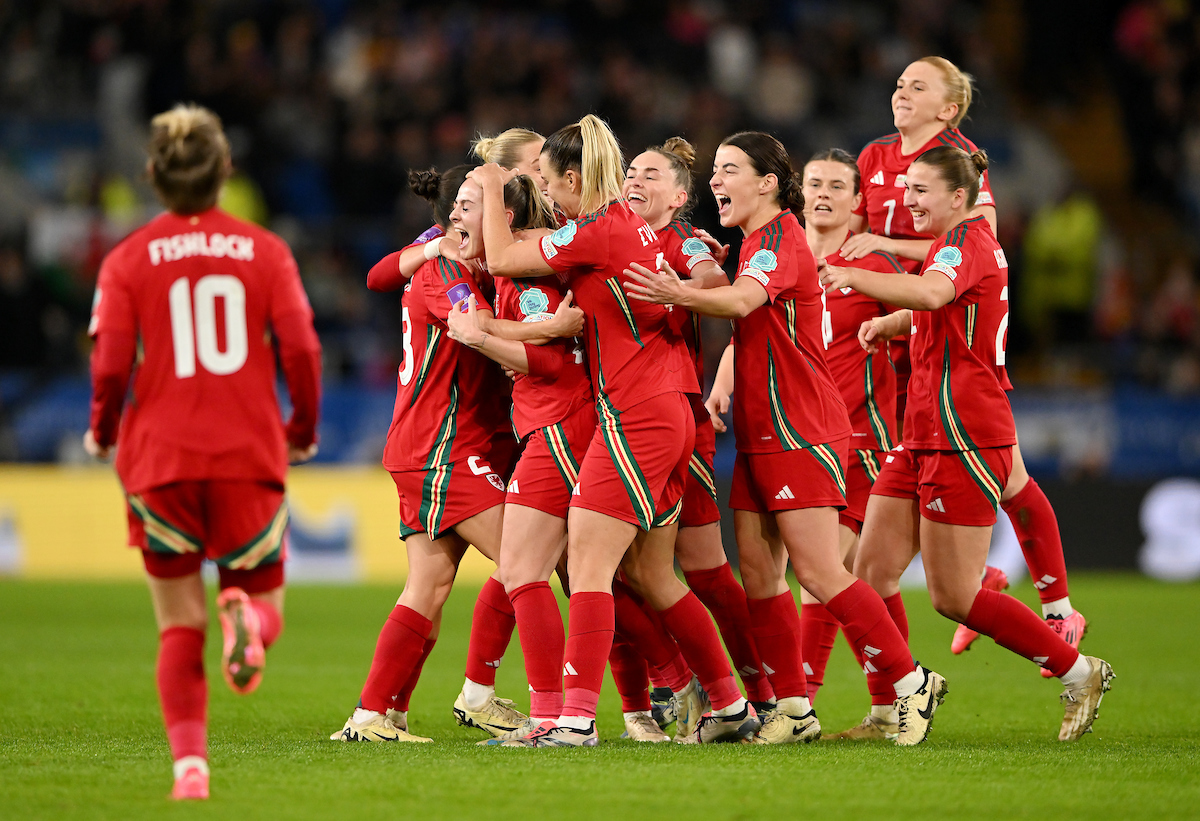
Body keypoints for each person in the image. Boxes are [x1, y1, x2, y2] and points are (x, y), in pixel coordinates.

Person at [625, 131, 945, 746]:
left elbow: (743, 301)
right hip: (760, 431)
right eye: (714, 171)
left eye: (728, 170)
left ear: (767, 183)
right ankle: (792, 709)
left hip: (801, 428)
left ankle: (910, 684)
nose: (715, 181)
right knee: (761, 575)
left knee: (822, 573)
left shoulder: (778, 239)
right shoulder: (755, 242)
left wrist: (678, 291)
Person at [470, 114, 751, 746]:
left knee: (592, 568)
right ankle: (730, 705)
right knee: (653, 575)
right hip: (669, 408)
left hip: (639, 414)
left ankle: (572, 721)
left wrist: (492, 188)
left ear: (571, 179)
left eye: (546, 181)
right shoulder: (622, 227)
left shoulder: (597, 229)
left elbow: (504, 256)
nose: (542, 193)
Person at [819, 146, 1114, 742]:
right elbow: (941, 306)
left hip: (964, 434)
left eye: (922, 190)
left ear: (959, 197)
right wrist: (887, 321)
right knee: (867, 572)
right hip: (922, 430)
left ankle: (1078, 670)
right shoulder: (957, 247)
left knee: (952, 597)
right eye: (908, 188)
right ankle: (890, 706)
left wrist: (855, 275)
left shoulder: (963, 243)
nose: (909, 200)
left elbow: (932, 295)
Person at [84, 104, 322, 799]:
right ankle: (248, 618)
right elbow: (303, 348)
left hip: (158, 459)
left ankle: (190, 769)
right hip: (247, 450)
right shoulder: (266, 250)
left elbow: (107, 367)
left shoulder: (126, 259)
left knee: (178, 624)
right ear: (225, 169)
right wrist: (301, 426)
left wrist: (102, 428)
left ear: (151, 173)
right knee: (263, 595)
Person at [846, 56, 1086, 659]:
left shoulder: (962, 167)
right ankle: (975, 595)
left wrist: (878, 253)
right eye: (898, 82)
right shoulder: (874, 157)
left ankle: (1052, 615)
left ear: (948, 109)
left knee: (1010, 479)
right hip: (914, 334)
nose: (901, 91)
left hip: (956, 344)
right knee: (975, 487)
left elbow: (964, 251)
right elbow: (858, 240)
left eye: (918, 86)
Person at [331, 166, 562, 744]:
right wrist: (552, 327)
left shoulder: (463, 261)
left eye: (470, 204)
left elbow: (388, 273)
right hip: (441, 447)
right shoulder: (447, 266)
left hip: (436, 443)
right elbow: (471, 324)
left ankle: (374, 714)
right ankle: (550, 716)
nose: (457, 214)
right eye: (456, 204)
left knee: (429, 585)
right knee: (525, 562)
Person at [622, 138, 776, 716]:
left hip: (673, 421)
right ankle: (676, 688)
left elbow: (713, 280)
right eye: (631, 170)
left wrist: (682, 286)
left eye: (652, 175)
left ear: (680, 196)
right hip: (616, 420)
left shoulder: (681, 241)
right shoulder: (611, 237)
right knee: (621, 571)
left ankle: (755, 692)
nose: (636, 180)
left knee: (703, 571)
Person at [795, 148, 904, 701]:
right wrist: (724, 384)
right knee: (853, 578)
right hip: (803, 443)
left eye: (838, 186)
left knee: (822, 575)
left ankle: (803, 702)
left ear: (858, 200)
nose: (824, 194)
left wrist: (888, 323)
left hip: (864, 439)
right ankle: (893, 700)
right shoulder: (785, 259)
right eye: (815, 183)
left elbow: (929, 310)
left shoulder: (874, 264)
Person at [366, 128, 547, 294]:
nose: (550, 174)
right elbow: (376, 279)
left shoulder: (559, 215)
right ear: (504, 174)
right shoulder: (457, 228)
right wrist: (439, 245)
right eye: (539, 168)